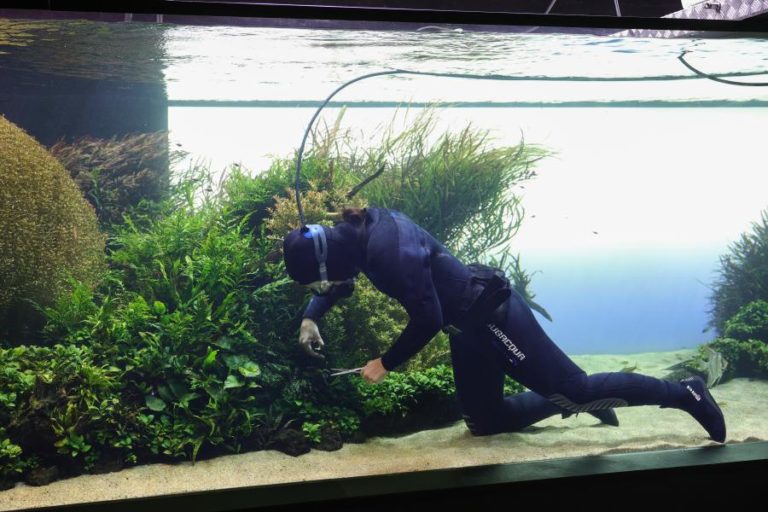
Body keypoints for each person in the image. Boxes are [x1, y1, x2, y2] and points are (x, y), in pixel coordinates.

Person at [282, 207, 726, 442]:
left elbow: (428, 318)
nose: (330, 284)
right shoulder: (354, 236)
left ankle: (684, 392)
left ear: (328, 257)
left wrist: (386, 363)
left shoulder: (387, 248)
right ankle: (563, 400)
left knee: (576, 387)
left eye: (321, 278)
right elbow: (340, 285)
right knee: (485, 422)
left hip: (491, 316)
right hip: (465, 328)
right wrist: (309, 318)